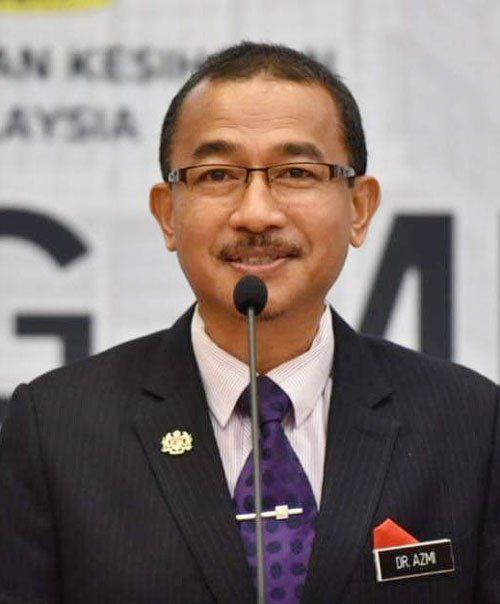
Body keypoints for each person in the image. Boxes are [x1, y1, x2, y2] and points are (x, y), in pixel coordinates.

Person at [0, 42, 498, 604]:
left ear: (359, 208)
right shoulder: (57, 430)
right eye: (217, 174)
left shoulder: (469, 425)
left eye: (296, 172)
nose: (257, 214)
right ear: (167, 214)